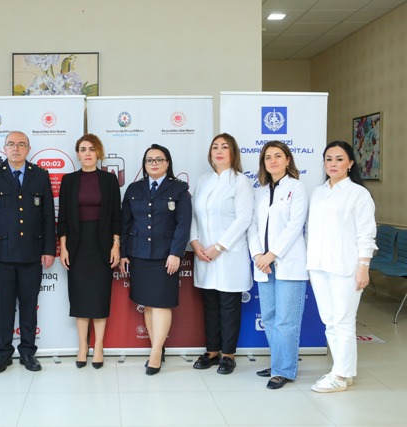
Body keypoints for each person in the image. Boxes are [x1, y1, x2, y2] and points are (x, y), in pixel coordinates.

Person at [0, 131, 56, 374]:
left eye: (21, 144)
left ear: (28, 149)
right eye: (11, 144)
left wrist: (49, 249)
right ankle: (3, 354)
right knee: (3, 308)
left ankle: (27, 353)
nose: (16, 148)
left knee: (29, 306)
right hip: (1, 255)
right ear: (4, 148)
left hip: (32, 253)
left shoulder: (40, 175)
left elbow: (47, 216)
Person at [306, 140, 376, 393]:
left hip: (346, 267)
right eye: (328, 159)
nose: (333, 164)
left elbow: (366, 233)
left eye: (339, 159)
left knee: (344, 321)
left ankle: (341, 375)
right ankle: (343, 370)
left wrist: (363, 266)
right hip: (318, 265)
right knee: (329, 320)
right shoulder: (318, 192)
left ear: (350, 163)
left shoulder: (359, 194)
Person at [120, 144, 191, 376]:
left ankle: (156, 353)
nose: (154, 163)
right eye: (149, 160)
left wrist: (176, 253)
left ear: (167, 163)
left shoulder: (179, 189)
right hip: (139, 254)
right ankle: (156, 347)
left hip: (165, 255)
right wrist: (123, 253)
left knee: (161, 303)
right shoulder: (134, 188)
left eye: (159, 159)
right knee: (148, 304)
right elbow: (125, 223)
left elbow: (183, 224)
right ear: (144, 164)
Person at [247, 141, 308, 389]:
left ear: (288, 160)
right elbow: (252, 226)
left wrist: (271, 255)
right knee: (270, 317)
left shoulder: (297, 188)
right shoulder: (259, 192)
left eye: (278, 156)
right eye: (268, 157)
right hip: (263, 264)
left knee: (286, 320)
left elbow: (295, 226)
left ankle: (283, 369)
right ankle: (278, 363)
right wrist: (257, 255)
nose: (272, 161)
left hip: (287, 262)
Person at [190, 133, 253, 375]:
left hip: (228, 254)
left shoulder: (240, 181)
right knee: (210, 304)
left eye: (224, 147)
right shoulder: (203, 180)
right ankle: (212, 351)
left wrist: (219, 247)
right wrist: (195, 243)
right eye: (215, 147)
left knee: (228, 305)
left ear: (233, 152)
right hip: (203, 254)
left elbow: (243, 219)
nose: (218, 151)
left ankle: (228, 355)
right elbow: (194, 215)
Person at [57, 134, 121, 369]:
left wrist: (116, 244)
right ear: (77, 154)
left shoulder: (109, 180)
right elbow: (63, 216)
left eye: (92, 149)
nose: (87, 153)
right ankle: (82, 346)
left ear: (98, 153)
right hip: (77, 245)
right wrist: (63, 247)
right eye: (83, 149)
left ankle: (99, 346)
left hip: (102, 244)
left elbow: (116, 215)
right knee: (80, 297)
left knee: (100, 296)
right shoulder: (69, 180)